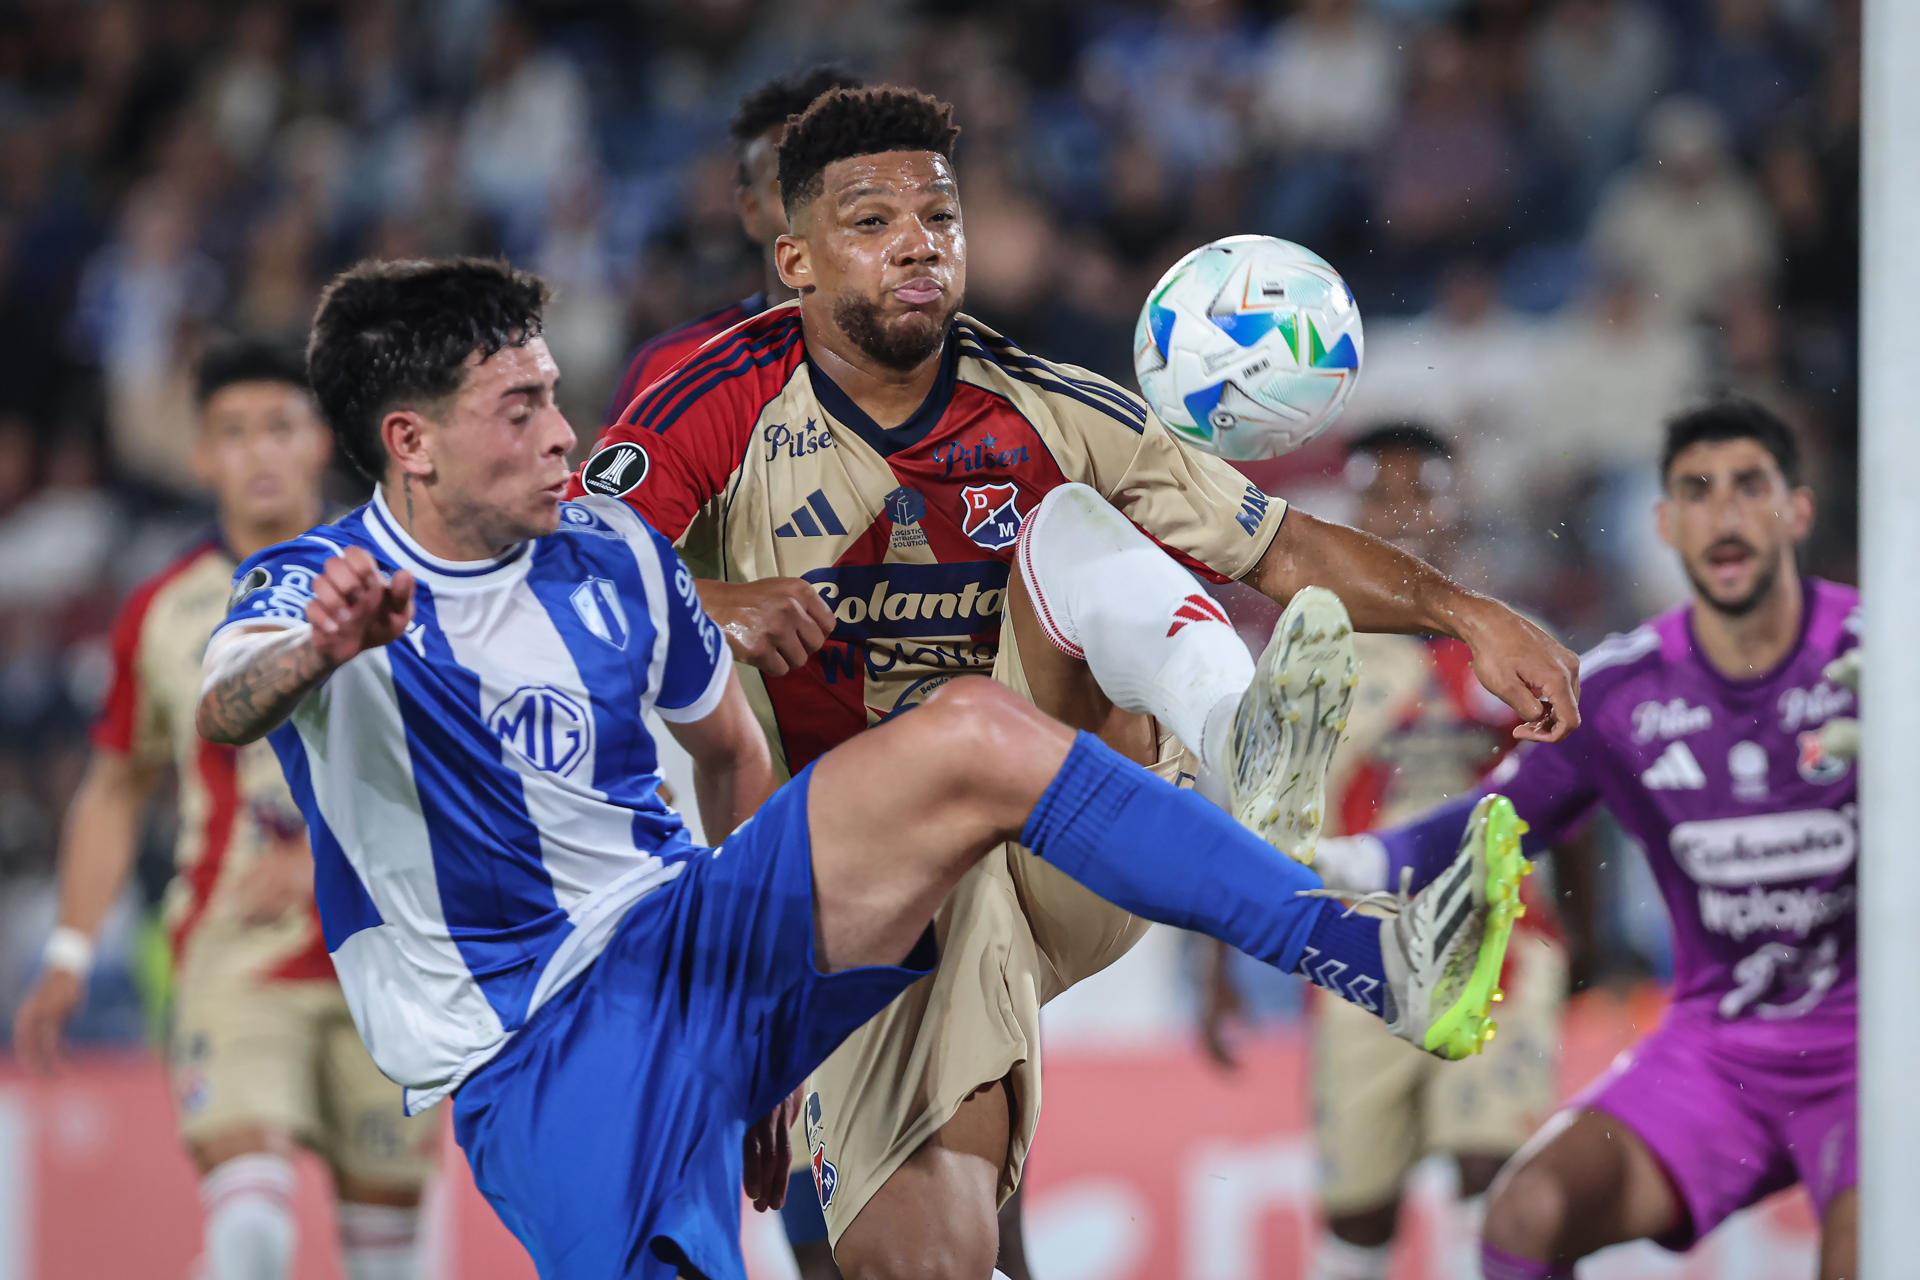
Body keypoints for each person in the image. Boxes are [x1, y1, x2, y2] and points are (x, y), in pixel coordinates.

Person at [195, 255, 1532, 1280]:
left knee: (970, 732)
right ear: (413, 443)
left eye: (555, 394)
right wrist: (316, 656)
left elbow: (725, 748)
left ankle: (1367, 950)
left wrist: (764, 1005)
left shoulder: (609, 553)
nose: (562, 430)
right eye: (522, 406)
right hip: (544, 1053)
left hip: (693, 940)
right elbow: (227, 702)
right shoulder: (313, 588)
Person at [581, 85, 1582, 1280]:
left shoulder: (1043, 402)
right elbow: (566, 580)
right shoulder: (712, 398)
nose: (917, 241)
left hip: (1062, 827)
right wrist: (707, 601)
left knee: (1066, 524)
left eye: (939, 216)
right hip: (843, 881)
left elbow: (1286, 547)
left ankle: (1241, 735)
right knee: (933, 1250)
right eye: (872, 219)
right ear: (793, 257)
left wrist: (1468, 614)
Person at [1311, 399, 1859, 1280]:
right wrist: (1351, 866)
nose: (1724, 515)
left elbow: (1560, 837)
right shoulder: (1619, 687)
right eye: (1699, 491)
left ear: (1796, 510)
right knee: (1496, 1209)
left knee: (1492, 1169)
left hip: (1865, 1043)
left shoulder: (1882, 661)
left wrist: (1589, 946)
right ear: (1665, 523)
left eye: (1749, 488)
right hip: (1711, 1046)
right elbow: (1511, 811)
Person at [12, 341, 439, 1280]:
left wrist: (335, 855)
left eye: (277, 428)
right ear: (200, 456)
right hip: (232, 953)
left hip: (390, 963)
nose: (256, 454)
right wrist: (71, 951)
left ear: (319, 441)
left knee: (391, 1266)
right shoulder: (164, 611)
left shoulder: (398, 585)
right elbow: (116, 786)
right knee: (251, 1239)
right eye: (231, 434)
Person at [1201, 424, 1587, 1280]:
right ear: (1353, 507)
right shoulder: (1311, 655)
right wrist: (1217, 969)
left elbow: (1581, 795)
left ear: (1459, 509)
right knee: (1360, 1211)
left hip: (1503, 943)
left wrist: (1590, 938)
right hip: (1355, 952)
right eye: (1383, 493)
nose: (1404, 511)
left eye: (1425, 492)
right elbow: (1252, 808)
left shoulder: (1520, 642)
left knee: (1494, 1170)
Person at [603, 65, 863, 423]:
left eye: (841, 184)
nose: (817, 209)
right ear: (750, 211)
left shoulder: (944, 360)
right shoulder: (669, 372)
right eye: (790, 189)